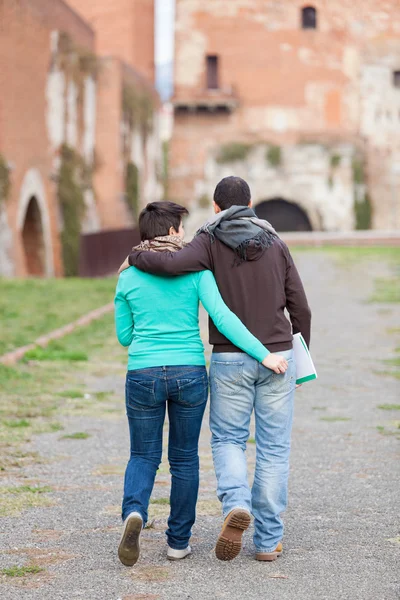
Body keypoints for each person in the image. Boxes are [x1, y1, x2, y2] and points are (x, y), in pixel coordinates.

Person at [119, 177, 312, 562]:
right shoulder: (277, 242)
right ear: (252, 203)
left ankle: (232, 504)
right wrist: (297, 356)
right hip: (273, 355)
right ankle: (265, 541)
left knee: (226, 440)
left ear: (215, 206)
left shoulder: (206, 243)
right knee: (271, 449)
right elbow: (300, 307)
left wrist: (136, 256)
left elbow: (168, 267)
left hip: (221, 360)